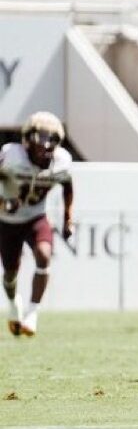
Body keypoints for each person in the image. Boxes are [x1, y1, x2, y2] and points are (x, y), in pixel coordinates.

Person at [0, 112, 73, 337]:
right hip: (8, 220)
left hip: (35, 217)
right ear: (27, 140)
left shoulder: (61, 161)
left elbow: (68, 185)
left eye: (51, 138)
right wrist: (3, 202)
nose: (46, 145)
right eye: (41, 137)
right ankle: (14, 304)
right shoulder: (11, 156)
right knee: (10, 273)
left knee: (44, 254)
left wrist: (68, 217)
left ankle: (33, 312)